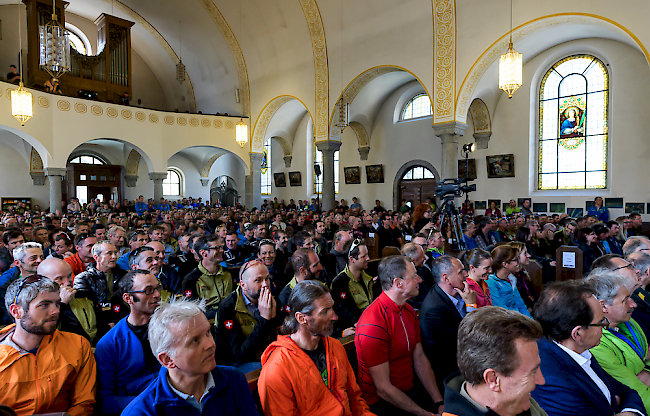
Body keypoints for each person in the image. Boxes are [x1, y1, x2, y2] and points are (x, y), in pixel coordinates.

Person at [121, 299, 259, 416]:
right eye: (194, 341)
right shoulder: (140, 412)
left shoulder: (235, 380)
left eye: (207, 333)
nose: (210, 344)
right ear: (168, 360)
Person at [259, 280, 373, 416]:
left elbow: (355, 399)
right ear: (302, 318)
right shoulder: (277, 369)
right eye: (325, 312)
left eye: (332, 308)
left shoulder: (335, 346)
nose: (335, 317)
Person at [532, 280, 645, 416]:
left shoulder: (578, 351)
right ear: (577, 333)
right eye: (600, 322)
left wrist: (623, 408)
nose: (605, 327)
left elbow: (626, 392)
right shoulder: (553, 381)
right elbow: (615, 398)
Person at [355, 255, 444, 415]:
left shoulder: (408, 310)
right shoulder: (373, 324)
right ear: (398, 283)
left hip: (409, 390)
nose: (420, 280)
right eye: (414, 276)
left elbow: (420, 360)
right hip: (382, 403)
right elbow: (383, 389)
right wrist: (427, 414)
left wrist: (439, 402)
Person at [0, 275, 97, 415]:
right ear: (16, 311)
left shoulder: (77, 345)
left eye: (57, 303)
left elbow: (84, 403)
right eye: (44, 305)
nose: (56, 311)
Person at [442, 307, 547, 416]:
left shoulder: (517, 401)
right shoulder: (516, 397)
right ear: (493, 379)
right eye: (532, 372)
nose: (541, 380)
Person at [95, 270, 162, 415]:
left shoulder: (169, 327)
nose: (157, 295)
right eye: (149, 291)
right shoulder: (109, 344)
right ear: (128, 298)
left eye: (158, 288)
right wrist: (151, 403)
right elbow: (106, 401)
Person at [586, 268, 650, 412]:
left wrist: (645, 374)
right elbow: (637, 393)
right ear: (603, 306)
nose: (633, 304)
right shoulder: (595, 342)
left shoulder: (627, 321)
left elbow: (645, 357)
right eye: (625, 300)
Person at [420, 255, 476, 393]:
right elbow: (467, 338)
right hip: (451, 370)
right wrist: (471, 305)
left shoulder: (459, 293)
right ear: (446, 278)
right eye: (461, 271)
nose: (466, 274)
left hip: (465, 357)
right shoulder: (435, 308)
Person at [216, 259, 282, 371]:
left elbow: (276, 339)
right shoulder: (228, 307)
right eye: (258, 280)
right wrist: (264, 319)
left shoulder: (272, 299)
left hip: (267, 354)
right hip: (238, 363)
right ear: (243, 285)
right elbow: (240, 355)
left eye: (267, 279)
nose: (265, 285)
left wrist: (274, 318)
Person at [37, 257, 106, 344]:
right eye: (59, 278)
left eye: (69, 276)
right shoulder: (38, 306)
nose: (67, 282)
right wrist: (62, 305)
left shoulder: (84, 297)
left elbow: (102, 326)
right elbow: (47, 335)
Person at [330, 239, 376, 336]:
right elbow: (344, 311)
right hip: (358, 327)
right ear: (352, 259)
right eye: (364, 256)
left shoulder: (368, 275)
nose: (368, 258)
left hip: (373, 321)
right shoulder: (340, 282)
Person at [182, 234, 233, 319]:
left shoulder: (227, 273)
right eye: (217, 248)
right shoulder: (191, 279)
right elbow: (192, 310)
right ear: (203, 253)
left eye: (221, 247)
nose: (221, 250)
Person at [0, 242, 44, 324]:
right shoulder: (6, 287)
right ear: (17, 263)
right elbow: (8, 317)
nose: (39, 261)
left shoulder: (49, 277)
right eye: (33, 258)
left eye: (41, 257)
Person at [487, 245, 531, 317]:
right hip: (508, 322)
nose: (518, 262)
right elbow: (502, 311)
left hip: (519, 319)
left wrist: (530, 322)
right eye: (516, 260)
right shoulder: (491, 282)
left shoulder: (511, 278)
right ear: (505, 264)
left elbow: (521, 305)